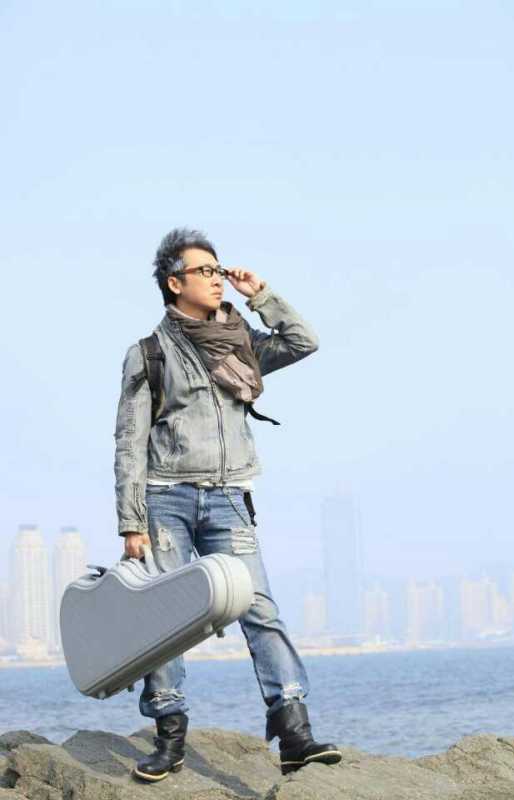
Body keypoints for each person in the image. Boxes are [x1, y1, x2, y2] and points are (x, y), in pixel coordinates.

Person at [114, 227, 342, 782]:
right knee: (165, 617)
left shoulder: (241, 344)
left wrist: (260, 294)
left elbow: (304, 341)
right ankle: (169, 735)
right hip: (165, 499)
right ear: (175, 283)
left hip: (229, 499)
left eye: (220, 270)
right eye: (205, 272)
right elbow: (129, 442)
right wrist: (131, 522)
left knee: (260, 609)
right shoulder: (148, 354)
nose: (217, 280)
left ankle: (294, 733)